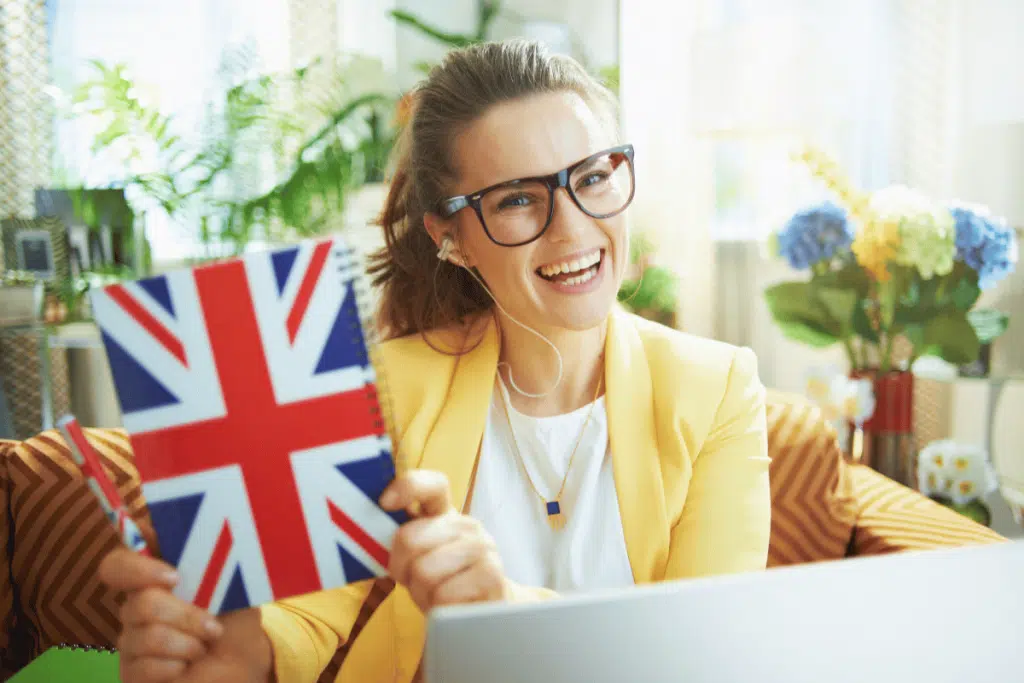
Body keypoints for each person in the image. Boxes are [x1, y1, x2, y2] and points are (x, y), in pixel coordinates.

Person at [97, 38, 771, 683]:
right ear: (451, 238)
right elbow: (309, 611)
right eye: (516, 199)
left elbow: (704, 649)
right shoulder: (387, 385)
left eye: (592, 178)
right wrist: (240, 650)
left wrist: (503, 609)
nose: (572, 226)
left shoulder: (717, 388)